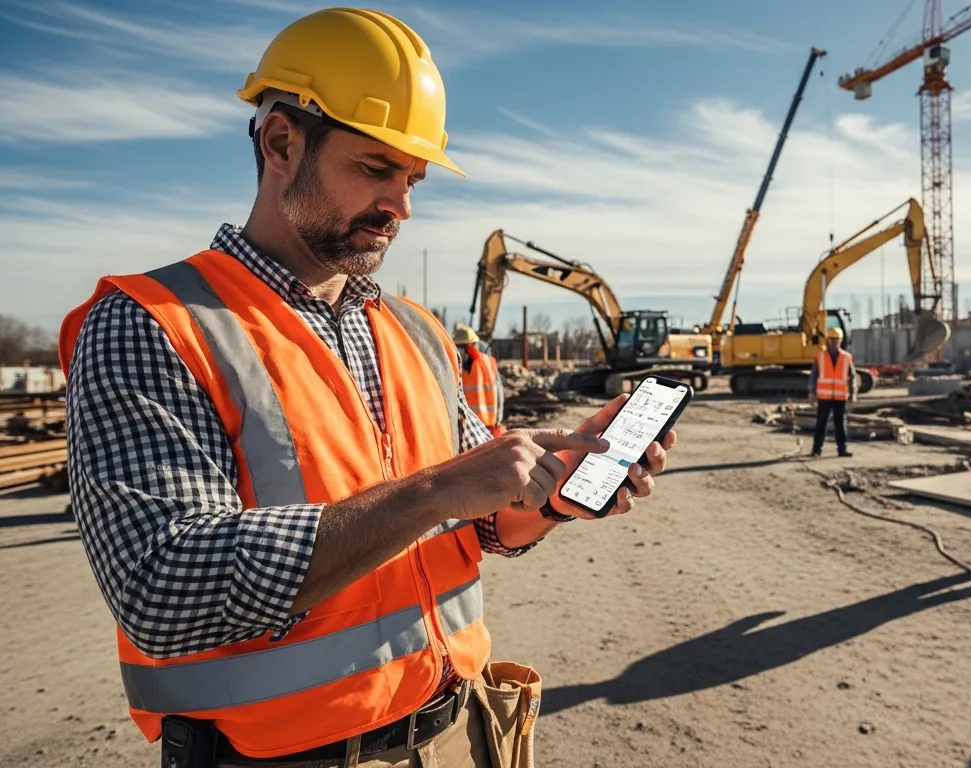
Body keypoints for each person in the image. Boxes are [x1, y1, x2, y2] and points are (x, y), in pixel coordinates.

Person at [58, 8, 677, 766]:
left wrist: (555, 489)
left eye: (413, 178)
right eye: (377, 169)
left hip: (454, 733)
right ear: (282, 142)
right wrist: (436, 491)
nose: (403, 207)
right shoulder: (153, 323)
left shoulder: (413, 329)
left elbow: (478, 524)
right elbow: (163, 588)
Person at [808, 326, 856, 457]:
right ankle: (816, 450)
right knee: (821, 423)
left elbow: (852, 376)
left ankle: (842, 450)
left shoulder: (847, 357)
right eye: (832, 340)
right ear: (828, 340)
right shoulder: (820, 356)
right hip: (824, 397)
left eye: (837, 340)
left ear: (841, 341)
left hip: (840, 397)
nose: (835, 342)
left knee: (840, 424)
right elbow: (813, 375)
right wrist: (811, 392)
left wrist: (853, 393)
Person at [454, 324, 506, 437]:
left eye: (463, 346)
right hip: (465, 425)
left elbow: (499, 393)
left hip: (487, 424)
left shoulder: (488, 363)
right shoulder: (454, 365)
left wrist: (498, 419)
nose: (460, 351)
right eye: (458, 347)